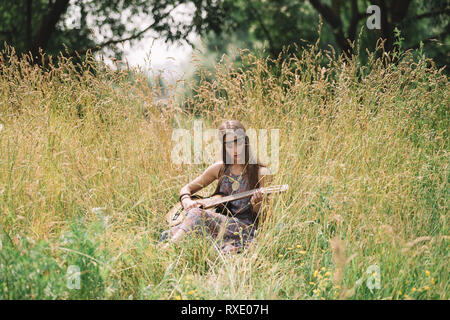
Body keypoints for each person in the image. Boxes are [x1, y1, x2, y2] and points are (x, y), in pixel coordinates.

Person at [160, 120, 272, 253]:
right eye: (229, 145)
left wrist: (258, 205)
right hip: (219, 222)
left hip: (245, 229)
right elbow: (187, 189)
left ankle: (166, 251)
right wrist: (186, 201)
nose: (235, 149)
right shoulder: (219, 169)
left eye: (238, 142)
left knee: (195, 216)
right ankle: (172, 248)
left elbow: (267, 218)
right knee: (176, 229)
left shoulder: (261, 173)